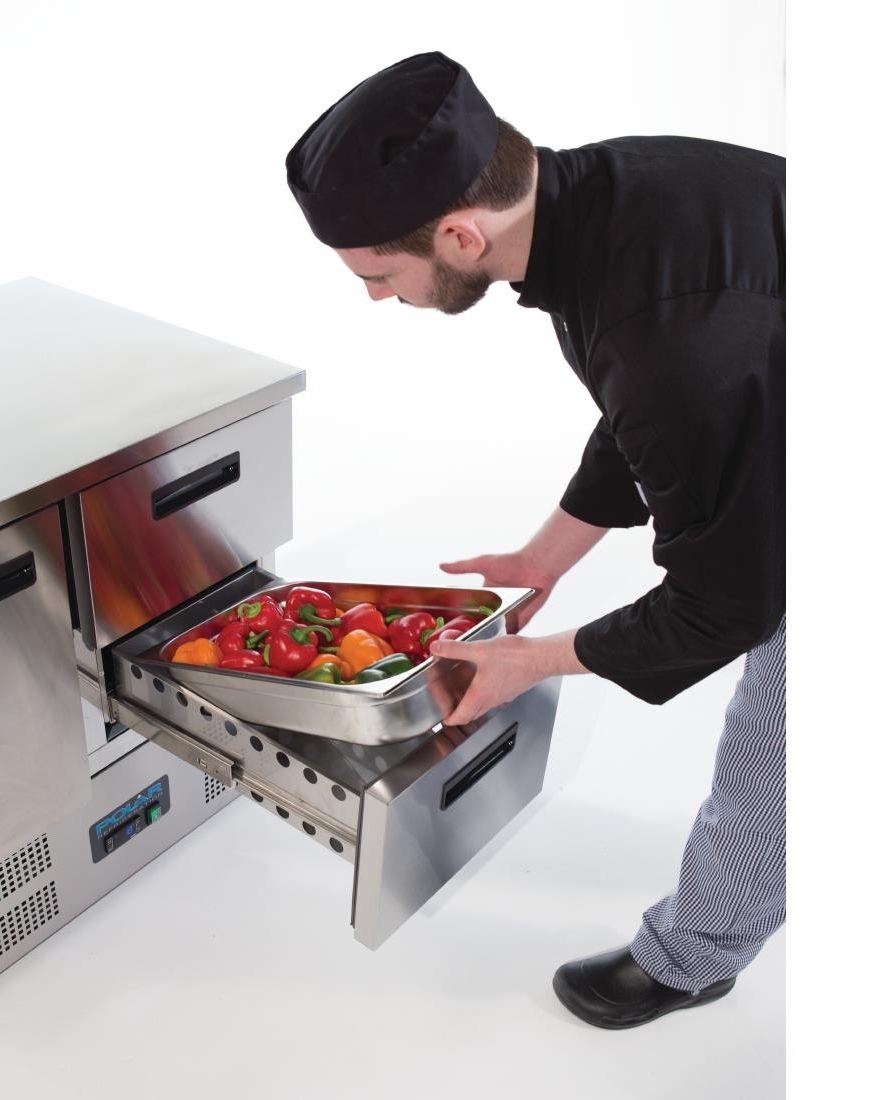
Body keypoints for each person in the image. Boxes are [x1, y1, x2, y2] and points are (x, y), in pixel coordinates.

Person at [285, 51, 785, 1030]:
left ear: (458, 234)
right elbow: (646, 406)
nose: (376, 297)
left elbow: (727, 603)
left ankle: (695, 956)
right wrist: (547, 555)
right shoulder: (609, 197)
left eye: (379, 273)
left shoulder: (670, 336)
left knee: (781, 736)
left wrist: (530, 659)